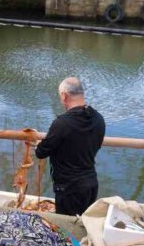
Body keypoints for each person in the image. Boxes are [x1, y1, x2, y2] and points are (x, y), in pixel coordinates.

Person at [35, 77, 106, 216]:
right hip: (91, 183)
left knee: (68, 230)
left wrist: (39, 142)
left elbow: (41, 152)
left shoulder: (62, 123)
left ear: (64, 95)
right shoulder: (98, 119)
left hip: (69, 188)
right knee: (83, 225)